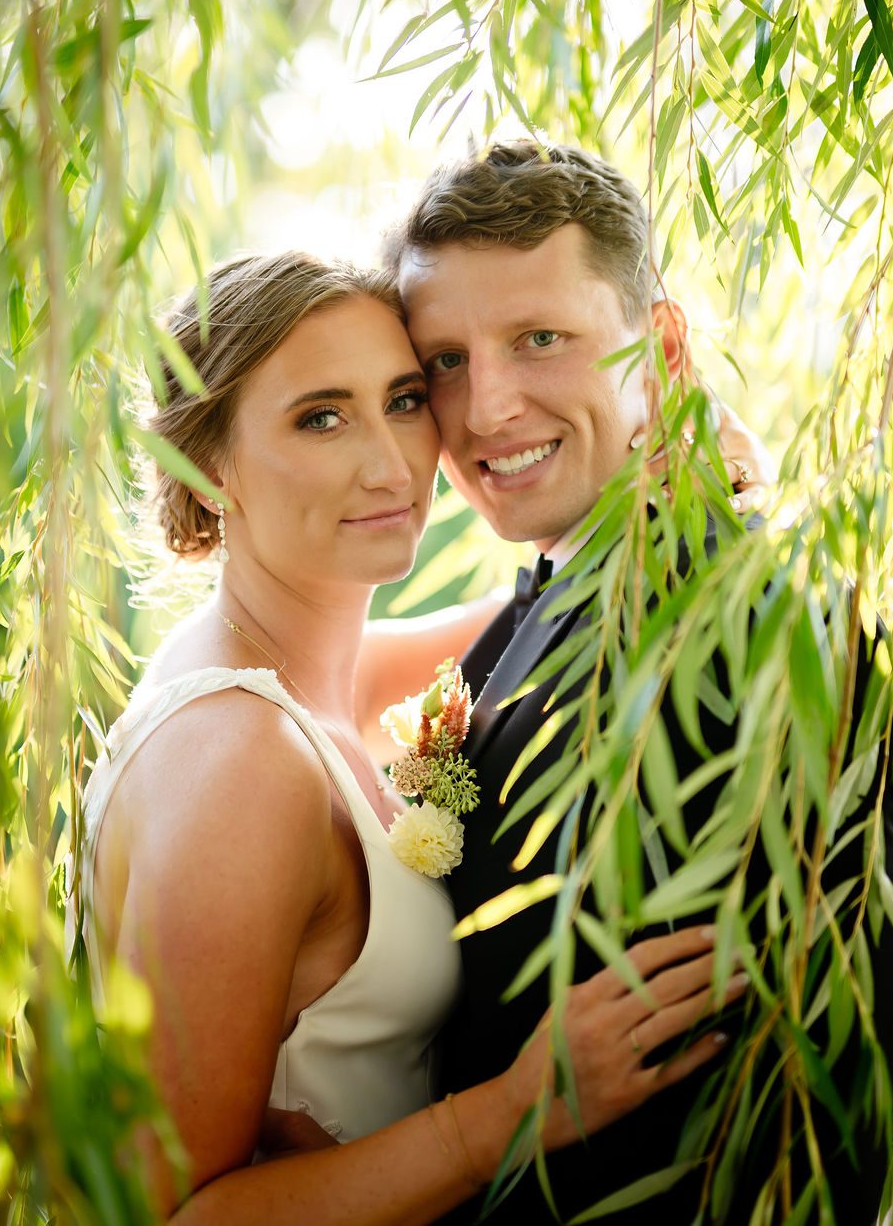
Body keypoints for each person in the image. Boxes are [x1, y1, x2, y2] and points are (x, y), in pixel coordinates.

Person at [76, 251, 751, 1224]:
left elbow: (527, 614)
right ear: (208, 466)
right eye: (320, 416)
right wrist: (514, 1114)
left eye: (401, 399)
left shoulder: (295, 669)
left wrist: (655, 476)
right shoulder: (239, 763)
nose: (391, 462)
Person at [377, 140, 893, 1223]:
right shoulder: (543, 606)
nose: (485, 408)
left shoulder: (758, 637)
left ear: (659, 348)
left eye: (540, 339)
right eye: (444, 360)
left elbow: (733, 1114)